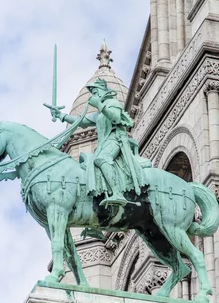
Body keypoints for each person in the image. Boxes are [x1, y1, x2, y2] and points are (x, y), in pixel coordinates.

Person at [47, 78, 149, 207]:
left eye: (95, 91)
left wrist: (100, 105)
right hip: (104, 143)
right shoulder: (100, 113)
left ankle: (117, 193)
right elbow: (82, 121)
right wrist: (61, 116)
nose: (93, 94)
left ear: (102, 91)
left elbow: (116, 118)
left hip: (115, 140)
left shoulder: (113, 103)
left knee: (101, 159)